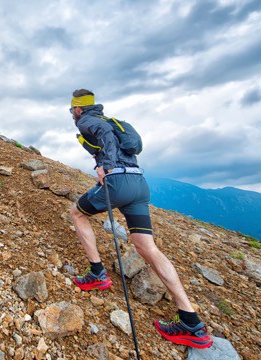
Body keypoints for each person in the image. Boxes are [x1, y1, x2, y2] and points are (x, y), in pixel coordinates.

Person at [68, 89, 213, 349]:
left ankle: (97, 273)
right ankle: (191, 321)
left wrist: (107, 166)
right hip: (138, 182)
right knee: (147, 246)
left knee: (77, 213)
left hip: (118, 180)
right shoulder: (112, 121)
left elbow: (104, 137)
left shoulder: (87, 121)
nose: (72, 115)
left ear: (78, 108)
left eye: (71, 110)